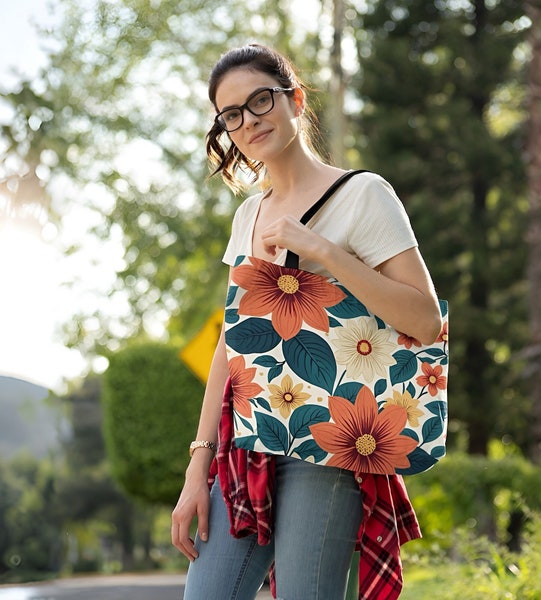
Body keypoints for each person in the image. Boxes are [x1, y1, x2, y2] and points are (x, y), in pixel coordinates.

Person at [171, 43, 442, 600]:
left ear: (294, 100)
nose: (249, 121)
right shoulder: (249, 214)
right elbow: (232, 346)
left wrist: (321, 251)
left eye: (261, 100)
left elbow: (425, 319)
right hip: (246, 444)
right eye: (231, 114)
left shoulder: (364, 194)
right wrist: (198, 465)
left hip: (329, 443)